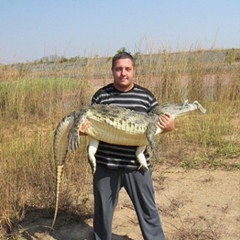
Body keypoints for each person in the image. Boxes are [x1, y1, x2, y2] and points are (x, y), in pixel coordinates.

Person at [80, 51, 174, 240]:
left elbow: (159, 122)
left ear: (134, 71)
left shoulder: (146, 97)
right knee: (102, 214)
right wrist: (83, 131)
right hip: (106, 166)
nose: (123, 73)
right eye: (119, 69)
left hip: (137, 166)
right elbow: (92, 127)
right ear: (112, 71)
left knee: (149, 211)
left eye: (127, 69)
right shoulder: (101, 96)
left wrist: (168, 127)